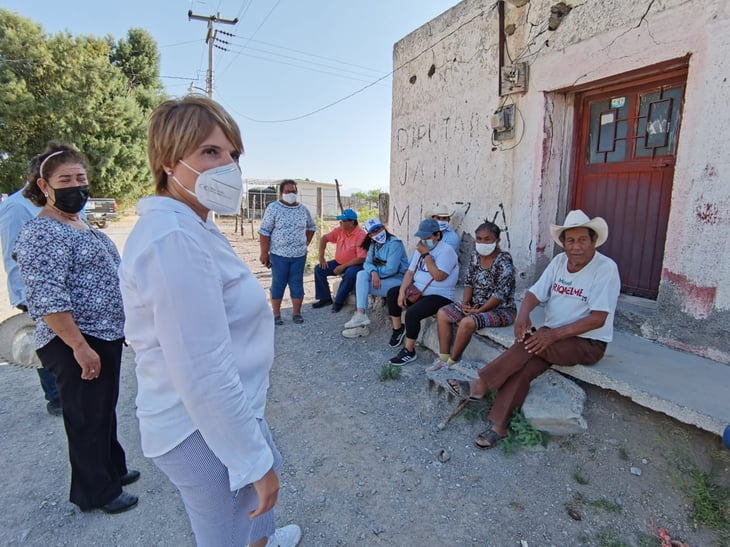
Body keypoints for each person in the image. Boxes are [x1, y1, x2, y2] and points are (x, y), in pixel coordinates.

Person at [119, 96, 300, 547]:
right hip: (194, 424)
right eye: (210, 152)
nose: (229, 167)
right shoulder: (173, 238)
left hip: (225, 409)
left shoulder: (194, 223)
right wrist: (253, 462)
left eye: (233, 154)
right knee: (226, 531)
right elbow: (202, 370)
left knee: (255, 511)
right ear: (167, 161)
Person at [14, 142, 139, 513]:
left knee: (103, 408)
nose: (76, 186)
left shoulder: (78, 223)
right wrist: (79, 347)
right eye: (65, 179)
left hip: (103, 334)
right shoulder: (41, 233)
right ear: (44, 186)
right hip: (74, 340)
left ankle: (112, 469)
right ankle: (96, 492)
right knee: (85, 415)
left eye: (81, 178)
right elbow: (49, 298)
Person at [446, 210, 620, 449]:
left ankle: (480, 384)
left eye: (582, 240)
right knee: (524, 368)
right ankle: (499, 426)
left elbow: (598, 318)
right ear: (563, 243)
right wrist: (523, 316)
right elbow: (533, 293)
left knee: (528, 346)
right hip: (552, 336)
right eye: (570, 240)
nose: (576, 246)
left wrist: (553, 334)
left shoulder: (606, 269)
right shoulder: (559, 262)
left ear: (593, 241)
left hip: (586, 342)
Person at [0, 170, 62, 416]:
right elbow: (12, 254)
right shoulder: (16, 206)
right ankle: (56, 397)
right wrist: (26, 295)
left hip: (62, 288)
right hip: (34, 291)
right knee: (44, 341)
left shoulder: (59, 202)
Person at [427, 221, 517, 371]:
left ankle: (452, 362)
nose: (482, 242)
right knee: (443, 313)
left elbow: (500, 294)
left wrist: (479, 311)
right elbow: (468, 282)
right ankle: (443, 358)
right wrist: (466, 303)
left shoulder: (504, 260)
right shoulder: (476, 256)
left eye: (487, 239)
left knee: (467, 323)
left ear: (497, 240)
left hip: (501, 309)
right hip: (476, 305)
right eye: (479, 239)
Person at [386, 218, 459, 365]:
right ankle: (398, 330)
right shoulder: (420, 250)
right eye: (422, 238)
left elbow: (439, 276)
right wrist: (402, 291)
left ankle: (409, 350)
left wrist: (426, 256)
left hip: (440, 295)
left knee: (413, 313)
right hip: (419, 290)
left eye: (427, 238)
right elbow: (410, 273)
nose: (424, 241)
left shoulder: (446, 251)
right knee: (392, 293)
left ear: (437, 235)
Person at [259, 179, 316, 325]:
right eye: (288, 191)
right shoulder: (273, 208)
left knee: (297, 284)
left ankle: (297, 313)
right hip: (279, 255)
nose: (291, 194)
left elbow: (311, 227)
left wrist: (305, 242)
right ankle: (276, 315)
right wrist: (264, 252)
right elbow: (264, 231)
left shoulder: (303, 209)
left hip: (299, 255)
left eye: (293, 191)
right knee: (278, 283)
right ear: (281, 193)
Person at [341, 218, 409, 338]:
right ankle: (361, 316)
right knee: (361, 275)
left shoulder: (395, 244)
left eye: (378, 229)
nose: (377, 234)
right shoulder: (374, 245)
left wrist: (377, 273)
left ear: (383, 228)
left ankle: (361, 324)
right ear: (370, 235)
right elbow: (367, 263)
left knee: (362, 285)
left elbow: (391, 269)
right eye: (373, 232)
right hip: (382, 279)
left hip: (398, 281)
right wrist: (373, 272)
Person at [312, 208, 367, 313]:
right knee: (319, 269)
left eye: (343, 220)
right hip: (339, 262)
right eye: (340, 220)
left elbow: (361, 258)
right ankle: (325, 298)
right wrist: (321, 257)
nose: (340, 222)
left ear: (352, 222)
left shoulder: (361, 235)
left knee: (350, 274)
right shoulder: (340, 230)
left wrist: (343, 267)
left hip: (356, 264)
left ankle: (339, 302)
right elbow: (324, 239)